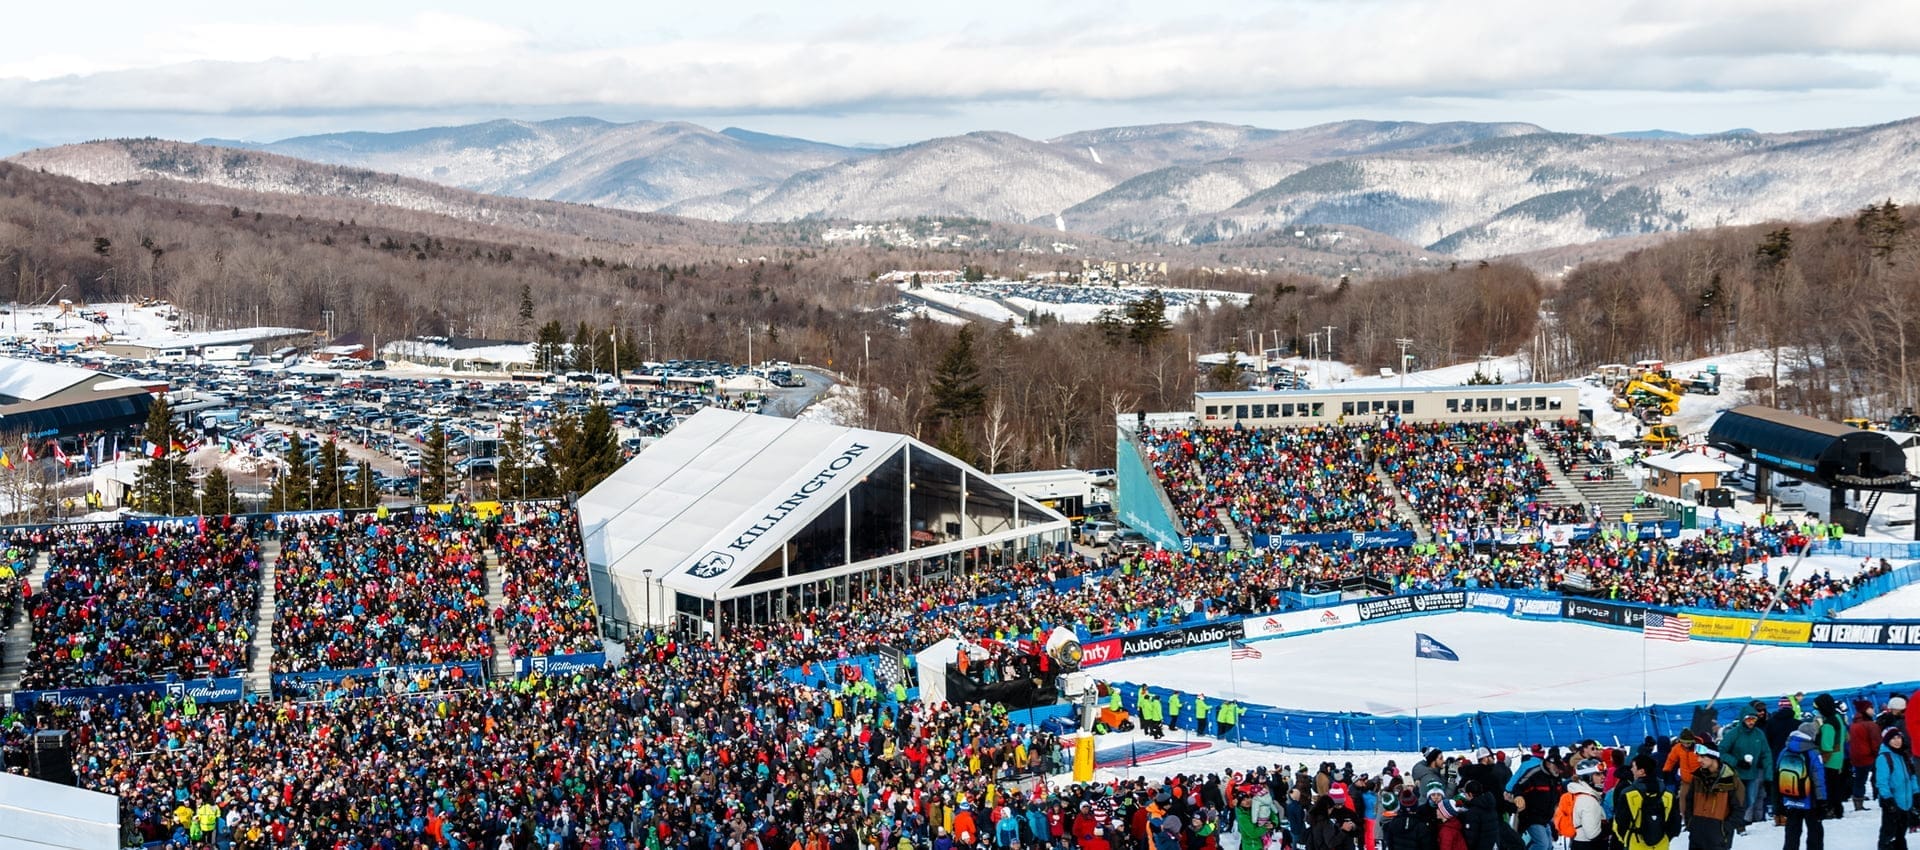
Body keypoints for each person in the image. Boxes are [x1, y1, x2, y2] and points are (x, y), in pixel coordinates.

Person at [1718, 707, 1774, 830]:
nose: (1751, 722)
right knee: (1737, 800)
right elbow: (1721, 751)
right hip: (1736, 773)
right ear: (1743, 719)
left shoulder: (1759, 734)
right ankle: (1736, 824)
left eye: (1754, 719)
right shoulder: (1734, 733)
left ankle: (1738, 820)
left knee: (1750, 799)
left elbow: (1766, 753)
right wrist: (1736, 762)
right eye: (1749, 719)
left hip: (1752, 773)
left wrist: (1769, 775)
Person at [1680, 746, 1743, 850]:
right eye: (1699, 756)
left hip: (1718, 838)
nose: (1699, 760)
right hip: (1697, 837)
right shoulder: (1697, 778)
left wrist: (1724, 828)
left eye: (1703, 757)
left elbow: (1739, 809)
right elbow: (1689, 802)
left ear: (1714, 757)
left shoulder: (1731, 779)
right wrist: (1691, 823)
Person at [1612, 754, 1676, 850]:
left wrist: (1626, 839)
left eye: (1633, 767)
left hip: (1636, 843)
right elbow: (1675, 824)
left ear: (1642, 771)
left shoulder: (1629, 794)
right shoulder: (1669, 795)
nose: (1631, 770)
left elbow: (1619, 823)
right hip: (1661, 844)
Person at [1778, 727, 1828, 850]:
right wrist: (1822, 800)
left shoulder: (1785, 750)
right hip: (1810, 799)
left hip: (1790, 797)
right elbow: (1819, 779)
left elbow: (1777, 772)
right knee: (1814, 830)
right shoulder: (1813, 753)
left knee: (1792, 831)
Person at [1878, 726, 1918, 850]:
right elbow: (1882, 782)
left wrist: (1916, 793)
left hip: (1906, 803)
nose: (1897, 741)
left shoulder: (1904, 756)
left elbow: (1912, 777)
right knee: (1889, 835)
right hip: (1892, 804)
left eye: (1898, 737)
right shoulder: (1884, 758)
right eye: (1893, 738)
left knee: (1901, 835)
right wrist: (1888, 800)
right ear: (1887, 741)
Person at [1563, 759, 1608, 850]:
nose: (1603, 777)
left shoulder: (1578, 793)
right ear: (1587, 777)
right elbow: (1592, 834)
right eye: (1598, 774)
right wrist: (1610, 828)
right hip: (1589, 845)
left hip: (1578, 842)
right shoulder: (1588, 800)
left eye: (1604, 773)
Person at [1852, 697, 1883, 813]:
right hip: (1870, 757)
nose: (1873, 710)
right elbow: (1876, 742)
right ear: (1865, 710)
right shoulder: (1870, 725)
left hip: (1857, 757)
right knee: (1880, 777)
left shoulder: (1854, 724)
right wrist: (1878, 754)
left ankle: (1858, 803)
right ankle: (1881, 798)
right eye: (1871, 708)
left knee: (1859, 780)